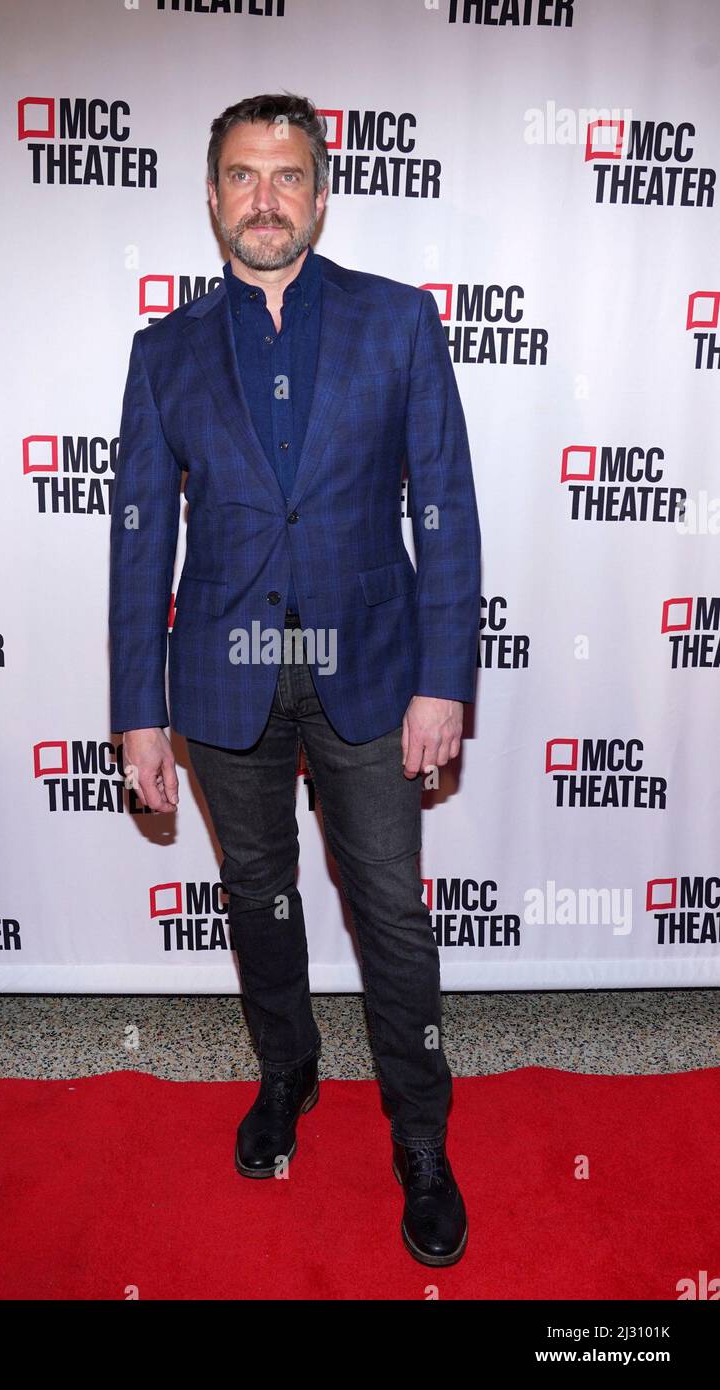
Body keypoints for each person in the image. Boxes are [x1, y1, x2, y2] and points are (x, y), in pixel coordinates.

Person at [109, 93, 481, 1267]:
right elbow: (135, 542)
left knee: (389, 911)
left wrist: (443, 679)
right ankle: (287, 1074)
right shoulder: (161, 354)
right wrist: (137, 711)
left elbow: (446, 513)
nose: (263, 197)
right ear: (211, 197)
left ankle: (419, 1135)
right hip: (222, 685)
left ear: (320, 195)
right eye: (239, 176)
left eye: (285, 175)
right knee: (258, 898)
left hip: (371, 675)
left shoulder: (397, 323)